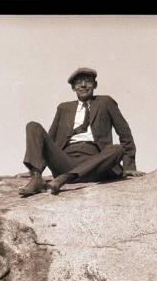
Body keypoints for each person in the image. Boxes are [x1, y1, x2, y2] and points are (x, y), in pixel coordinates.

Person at [19, 67, 144, 197]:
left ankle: (65, 178)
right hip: (65, 160)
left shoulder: (105, 102)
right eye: (79, 82)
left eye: (88, 81)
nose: (83, 85)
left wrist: (129, 167)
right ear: (73, 87)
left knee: (117, 149)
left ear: (95, 85)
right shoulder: (64, 108)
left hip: (95, 163)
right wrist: (36, 168)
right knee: (33, 126)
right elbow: (49, 139)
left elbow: (124, 133)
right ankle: (36, 178)